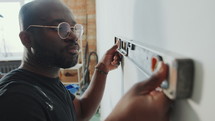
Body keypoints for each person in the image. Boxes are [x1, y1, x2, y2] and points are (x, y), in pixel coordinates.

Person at [0, 0, 171, 121]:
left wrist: (102, 69)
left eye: (74, 28)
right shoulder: (16, 99)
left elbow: (80, 112)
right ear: (27, 39)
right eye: (61, 28)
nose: (74, 36)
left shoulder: (48, 82)